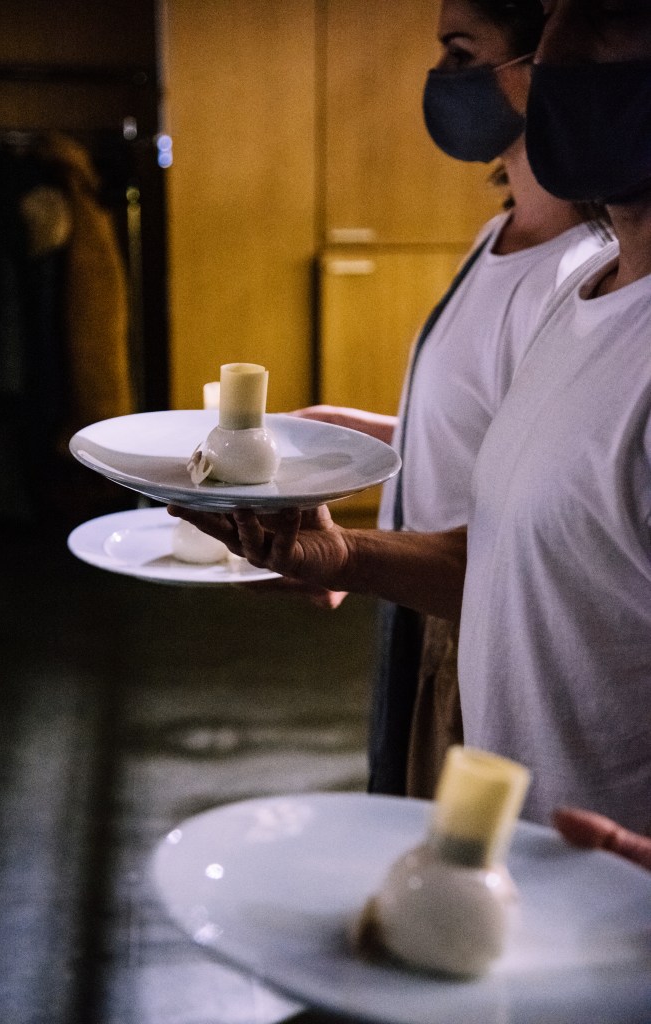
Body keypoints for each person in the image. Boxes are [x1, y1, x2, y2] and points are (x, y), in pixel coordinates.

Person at [170, 0, 651, 838]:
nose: (553, 54)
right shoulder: (588, 301)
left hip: (604, 890)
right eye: (551, 18)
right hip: (526, 857)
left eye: (604, 15)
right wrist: (347, 548)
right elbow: (520, 545)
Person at [281, 0, 610, 799]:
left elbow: (547, 505)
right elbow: (502, 434)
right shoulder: (498, 237)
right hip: (417, 602)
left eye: (462, 54)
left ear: (541, 68)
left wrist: (354, 556)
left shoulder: (578, 272)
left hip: (474, 619)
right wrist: (359, 441)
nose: (441, 79)